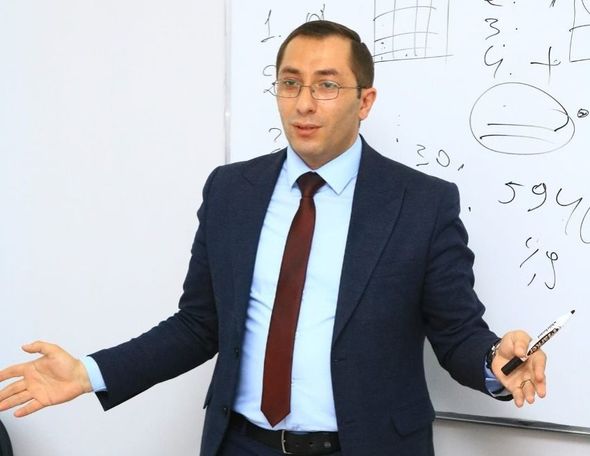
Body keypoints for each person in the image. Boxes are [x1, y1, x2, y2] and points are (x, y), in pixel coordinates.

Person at [0, 20, 547, 456]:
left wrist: (496, 363)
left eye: (327, 85)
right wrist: (89, 372)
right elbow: (199, 324)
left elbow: (456, 331)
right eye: (290, 83)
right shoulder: (231, 191)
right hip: (241, 444)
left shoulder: (421, 203)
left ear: (365, 101)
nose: (304, 103)